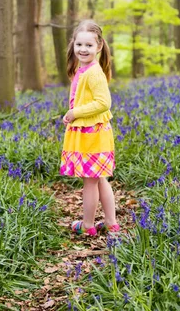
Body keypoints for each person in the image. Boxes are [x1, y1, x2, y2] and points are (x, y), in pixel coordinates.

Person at [60, 19, 119, 236]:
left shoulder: (94, 72)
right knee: (99, 177)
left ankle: (87, 225)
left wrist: (75, 112)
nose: (83, 49)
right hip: (90, 133)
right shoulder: (82, 69)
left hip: (93, 134)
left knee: (90, 181)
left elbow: (104, 103)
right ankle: (111, 223)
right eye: (79, 45)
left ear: (99, 46)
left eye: (89, 45)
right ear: (73, 44)